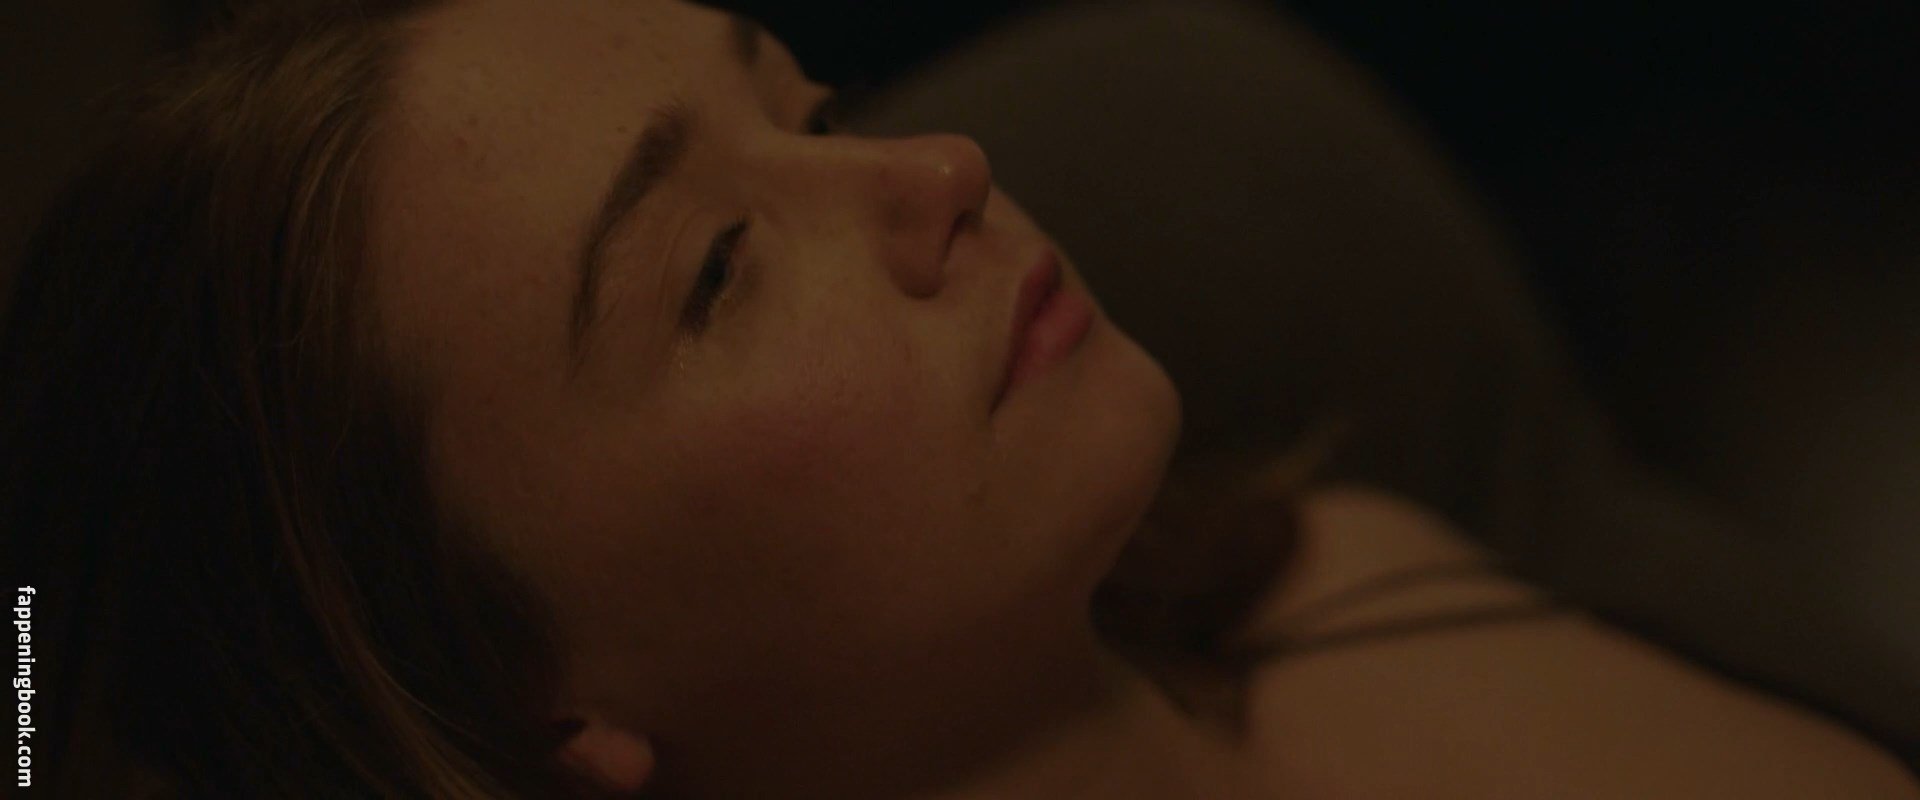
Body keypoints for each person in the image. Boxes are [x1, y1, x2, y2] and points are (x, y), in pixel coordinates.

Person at [3, 0, 1914, 796]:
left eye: (812, 109)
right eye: (721, 269)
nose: (942, 172)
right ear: (525, 712)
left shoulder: (1324, 567)